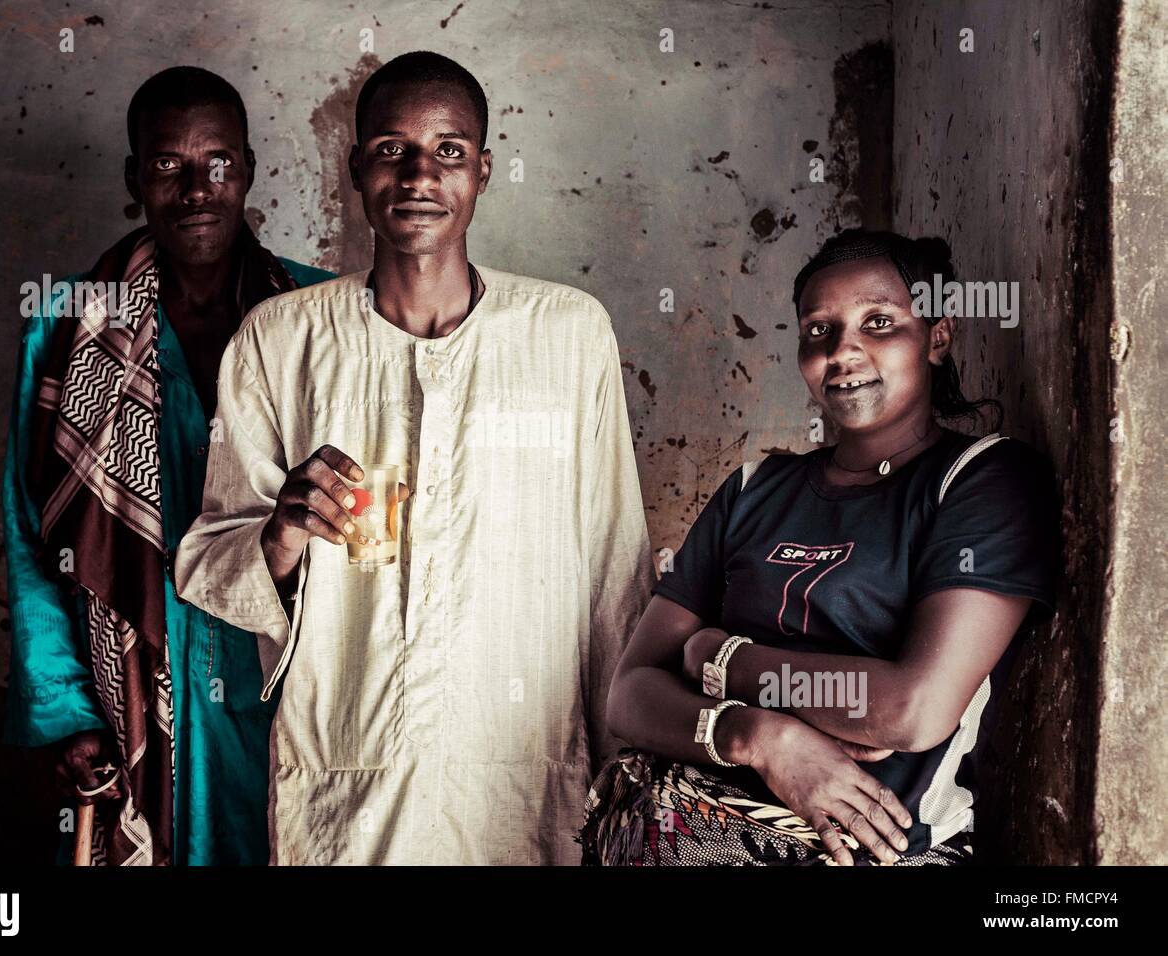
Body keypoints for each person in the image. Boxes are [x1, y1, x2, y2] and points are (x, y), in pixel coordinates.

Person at [174, 51, 655, 865]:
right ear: (358, 166)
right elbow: (214, 553)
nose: (420, 175)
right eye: (393, 150)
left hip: (525, 773)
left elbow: (614, 569)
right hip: (349, 770)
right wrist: (282, 533)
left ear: (484, 171)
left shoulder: (567, 335)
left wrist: (626, 771)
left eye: (450, 152)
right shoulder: (282, 339)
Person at [584, 230, 1060, 866]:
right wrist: (761, 736)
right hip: (671, 828)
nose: (844, 352)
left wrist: (721, 658)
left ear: (937, 336)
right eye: (819, 330)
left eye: (880, 322)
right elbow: (631, 695)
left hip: (859, 852)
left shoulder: (981, 480)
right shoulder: (755, 489)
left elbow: (909, 709)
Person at [3, 66, 332, 865]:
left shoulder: (318, 313)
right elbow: (30, 535)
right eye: (166, 166)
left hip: (285, 686)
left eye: (218, 163)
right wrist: (67, 712)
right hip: (130, 688)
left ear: (249, 170)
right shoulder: (69, 325)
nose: (196, 189)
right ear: (133, 178)